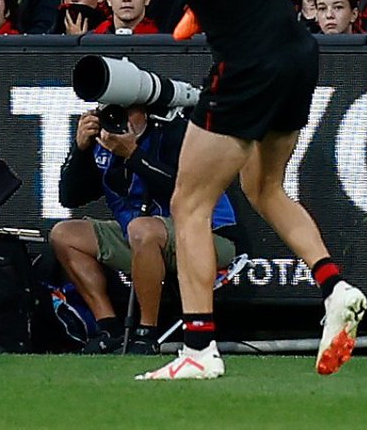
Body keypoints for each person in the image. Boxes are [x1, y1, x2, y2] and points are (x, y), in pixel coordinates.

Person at [51, 0, 366, 381]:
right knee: (263, 187)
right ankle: (334, 284)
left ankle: (199, 348)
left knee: (188, 207)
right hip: (297, 51)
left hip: (245, 68)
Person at [52, 100, 238, 355]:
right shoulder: (104, 145)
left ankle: (145, 333)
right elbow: (70, 198)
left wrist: (134, 154)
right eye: (111, 113)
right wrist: (81, 148)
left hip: (207, 235)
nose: (120, 121)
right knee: (64, 235)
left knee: (142, 229)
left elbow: (185, 195)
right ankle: (110, 329)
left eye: (128, 112)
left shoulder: (173, 132)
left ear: (146, 112)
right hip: (141, 236)